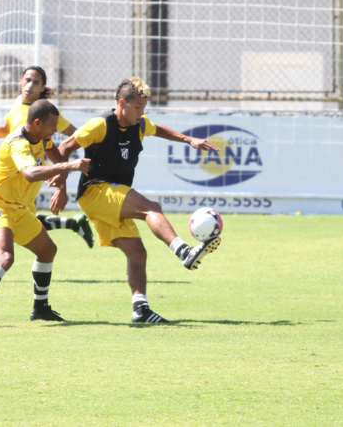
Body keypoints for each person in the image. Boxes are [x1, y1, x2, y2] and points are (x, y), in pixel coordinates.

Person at [53, 77, 221, 324]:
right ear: (122, 103)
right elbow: (64, 148)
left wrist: (188, 140)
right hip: (95, 191)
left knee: (137, 252)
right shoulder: (98, 125)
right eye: (138, 107)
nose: (142, 113)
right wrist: (61, 186)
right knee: (151, 208)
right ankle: (184, 252)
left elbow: (158, 129)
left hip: (114, 192)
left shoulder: (139, 124)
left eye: (144, 108)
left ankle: (140, 309)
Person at [0, 65, 93, 284]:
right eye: (28, 80)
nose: (30, 85)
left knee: (7, 223)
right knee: (0, 221)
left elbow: (73, 137)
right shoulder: (18, 104)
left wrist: (66, 177)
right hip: (10, 176)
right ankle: (72, 224)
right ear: (20, 80)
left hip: (25, 180)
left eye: (36, 82)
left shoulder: (45, 114)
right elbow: (5, 130)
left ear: (43, 88)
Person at [0, 99, 90, 328]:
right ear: (36, 122)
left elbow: (58, 158)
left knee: (47, 250)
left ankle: (40, 308)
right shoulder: (18, 142)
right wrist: (69, 167)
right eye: (53, 125)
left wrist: (62, 186)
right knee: (5, 257)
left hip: (18, 209)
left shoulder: (42, 139)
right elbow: (30, 173)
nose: (56, 130)